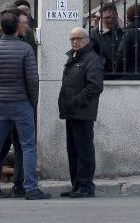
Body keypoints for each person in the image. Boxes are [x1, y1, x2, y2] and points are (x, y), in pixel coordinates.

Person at [0, 10, 50, 200]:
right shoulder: (25, 49)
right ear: (17, 27)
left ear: (1, 28)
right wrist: (32, 102)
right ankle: (31, 188)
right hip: (22, 103)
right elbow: (33, 80)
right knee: (28, 147)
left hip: (1, 104)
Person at [58, 27, 104, 198]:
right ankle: (76, 185)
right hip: (71, 112)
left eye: (78, 38)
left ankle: (86, 186)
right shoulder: (74, 57)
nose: (75, 41)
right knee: (73, 150)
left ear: (86, 39)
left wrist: (76, 101)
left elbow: (95, 86)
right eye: (72, 39)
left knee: (84, 150)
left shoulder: (92, 59)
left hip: (82, 112)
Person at [89, 2, 123, 78]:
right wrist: (105, 64)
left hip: (126, 75)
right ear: (101, 17)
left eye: (112, 17)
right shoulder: (94, 33)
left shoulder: (125, 31)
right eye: (107, 18)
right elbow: (91, 54)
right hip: (105, 76)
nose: (110, 20)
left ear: (117, 14)